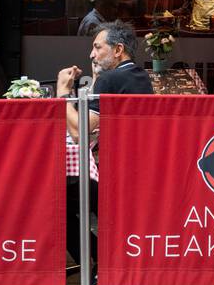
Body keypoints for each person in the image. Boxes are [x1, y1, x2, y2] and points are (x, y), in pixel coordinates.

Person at [55, 21, 153, 266]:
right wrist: (98, 78)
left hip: (116, 180)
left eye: (98, 48)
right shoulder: (138, 76)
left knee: (53, 203)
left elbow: (79, 133)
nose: (91, 54)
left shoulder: (111, 79)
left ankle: (101, 261)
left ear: (118, 50)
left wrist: (62, 94)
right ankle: (106, 259)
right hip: (136, 177)